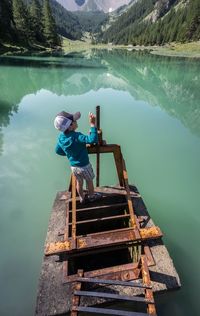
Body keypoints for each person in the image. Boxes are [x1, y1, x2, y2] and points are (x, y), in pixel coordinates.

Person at [54, 110, 101, 203]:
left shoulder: (61, 138)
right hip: (84, 166)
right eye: (75, 121)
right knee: (89, 181)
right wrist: (92, 125)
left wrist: (69, 153)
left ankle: (82, 198)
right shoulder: (77, 136)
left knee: (79, 183)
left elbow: (58, 151)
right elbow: (92, 139)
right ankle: (91, 196)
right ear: (70, 126)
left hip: (74, 167)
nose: (76, 121)